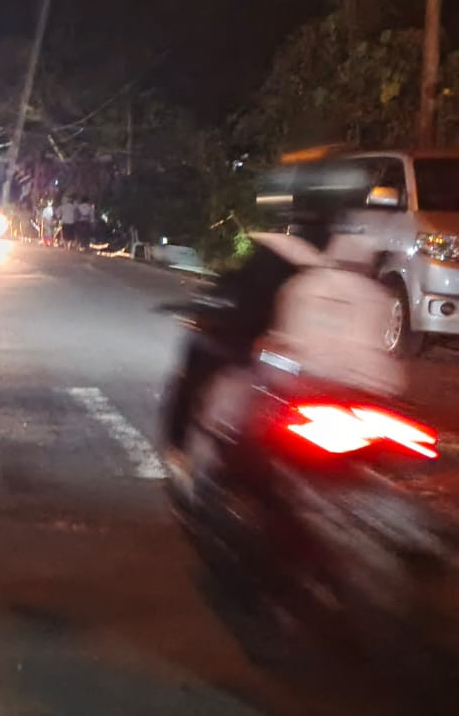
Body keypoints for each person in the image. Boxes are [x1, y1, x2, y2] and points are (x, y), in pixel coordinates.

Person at [163, 156, 394, 486]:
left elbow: (239, 309)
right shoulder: (367, 254)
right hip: (369, 382)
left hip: (291, 374)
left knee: (203, 353)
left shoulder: (278, 250)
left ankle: (181, 455)